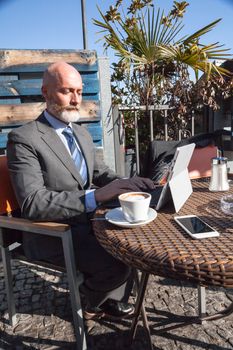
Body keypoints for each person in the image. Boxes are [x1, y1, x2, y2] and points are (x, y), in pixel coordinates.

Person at [7, 61, 155, 320]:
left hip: (90, 223)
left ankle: (106, 298)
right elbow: (33, 203)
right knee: (118, 264)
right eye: (67, 91)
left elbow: (101, 174)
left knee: (139, 249)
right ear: (45, 93)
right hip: (52, 233)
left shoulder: (82, 134)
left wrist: (130, 182)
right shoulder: (24, 139)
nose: (76, 99)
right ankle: (89, 298)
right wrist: (95, 196)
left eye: (79, 91)